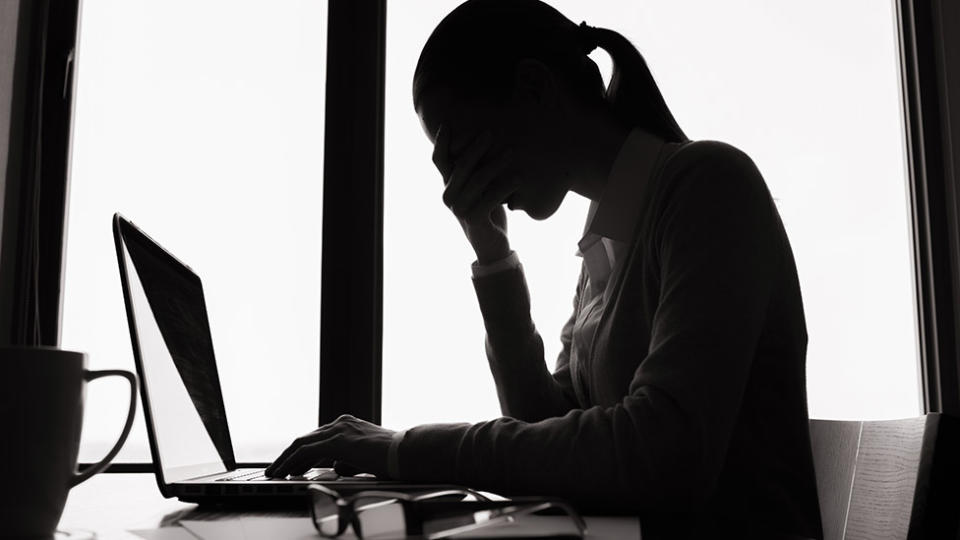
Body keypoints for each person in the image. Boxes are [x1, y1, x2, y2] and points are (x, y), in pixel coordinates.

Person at [267, 0, 823, 537]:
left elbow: (662, 453)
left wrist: (401, 449)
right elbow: (547, 433)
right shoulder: (606, 246)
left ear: (534, 90)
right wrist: (494, 259)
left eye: (459, 148)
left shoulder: (709, 186)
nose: (453, 185)